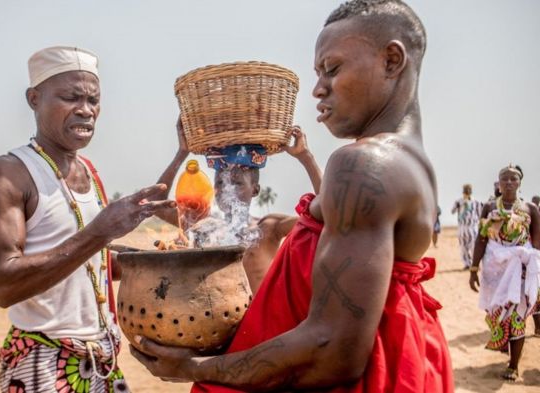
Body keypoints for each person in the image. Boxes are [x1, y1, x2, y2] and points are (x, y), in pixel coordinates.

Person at [131, 1, 454, 391]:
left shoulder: (365, 165)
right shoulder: (408, 162)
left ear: (391, 60)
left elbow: (332, 350)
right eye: (318, 74)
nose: (319, 88)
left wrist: (194, 368)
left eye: (332, 70)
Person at [0, 46, 174, 393]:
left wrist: (157, 261)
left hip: (102, 357)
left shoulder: (88, 172)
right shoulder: (9, 173)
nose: (86, 110)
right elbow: (4, 284)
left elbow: (91, 264)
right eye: (71, 97)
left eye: (93, 100)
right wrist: (100, 233)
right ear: (34, 98)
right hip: (44, 359)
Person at [153, 121, 322, 293]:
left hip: (258, 319)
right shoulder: (203, 224)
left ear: (255, 190)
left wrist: (305, 157)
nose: (227, 189)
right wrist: (182, 152)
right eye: (220, 182)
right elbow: (156, 205)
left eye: (237, 183)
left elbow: (328, 213)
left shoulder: (268, 227)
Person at [469, 164, 540, 381]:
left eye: (513, 179)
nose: (509, 182)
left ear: (520, 183)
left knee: (518, 315)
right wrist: (473, 269)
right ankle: (504, 346)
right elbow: (482, 240)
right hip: (494, 271)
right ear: (499, 183)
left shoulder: (530, 209)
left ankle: (513, 365)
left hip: (521, 269)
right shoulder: (490, 207)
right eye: (505, 179)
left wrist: (535, 270)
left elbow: (536, 244)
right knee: (498, 315)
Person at [452, 184, 482, 269]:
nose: (467, 192)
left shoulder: (476, 202)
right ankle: (466, 264)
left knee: (473, 247)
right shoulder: (459, 202)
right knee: (463, 247)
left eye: (468, 190)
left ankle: (475, 263)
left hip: (472, 227)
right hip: (462, 228)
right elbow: (452, 211)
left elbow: (480, 215)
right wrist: (457, 205)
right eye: (466, 190)